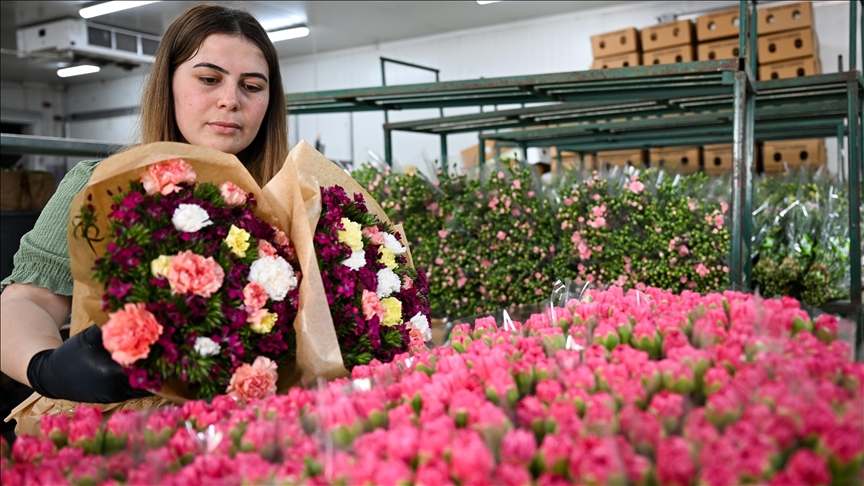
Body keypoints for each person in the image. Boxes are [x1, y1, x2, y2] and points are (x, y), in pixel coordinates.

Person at [0, 4, 287, 405]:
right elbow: (27, 300)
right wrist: (44, 368)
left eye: (252, 86)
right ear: (168, 85)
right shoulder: (101, 187)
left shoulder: (289, 198)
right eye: (209, 79)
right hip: (137, 428)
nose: (230, 100)